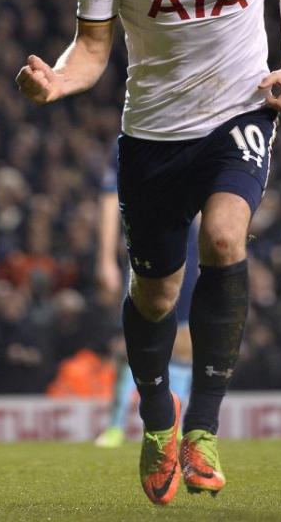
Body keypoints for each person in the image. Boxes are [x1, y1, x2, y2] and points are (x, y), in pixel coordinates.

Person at [16, 0, 281, 504]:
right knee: (155, 293)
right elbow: (93, 49)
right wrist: (57, 84)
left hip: (238, 116)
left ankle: (204, 430)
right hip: (152, 133)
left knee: (225, 236)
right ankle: (158, 422)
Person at [93, 145, 195, 450]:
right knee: (136, 339)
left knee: (184, 344)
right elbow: (111, 198)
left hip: (188, 243)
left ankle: (173, 426)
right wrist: (105, 259)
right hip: (145, 243)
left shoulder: (198, 129)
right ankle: (116, 426)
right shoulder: (131, 138)